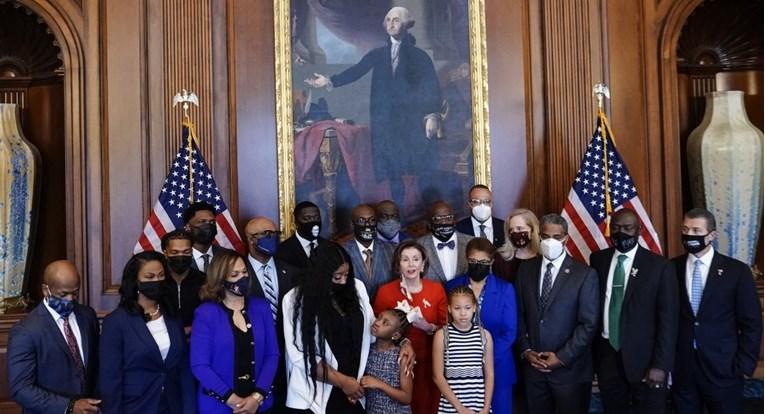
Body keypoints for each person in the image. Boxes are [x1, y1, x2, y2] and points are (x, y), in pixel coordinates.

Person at [305, 6, 441, 208]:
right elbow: (356, 71)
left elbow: (431, 87)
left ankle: (421, 210)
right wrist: (328, 81)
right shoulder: (378, 54)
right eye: (388, 20)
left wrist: (431, 115)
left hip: (411, 123)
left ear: (406, 25)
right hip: (386, 123)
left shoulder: (420, 57)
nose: (391, 24)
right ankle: (398, 216)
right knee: (393, 170)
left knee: (415, 168)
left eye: (396, 20)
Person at [283, 242, 414, 413]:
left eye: (347, 274)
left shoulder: (357, 288)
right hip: (316, 394)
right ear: (320, 275)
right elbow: (300, 355)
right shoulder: (295, 300)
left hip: (355, 391)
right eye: (337, 277)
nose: (344, 281)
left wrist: (404, 342)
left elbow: (374, 328)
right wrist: (343, 382)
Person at [671, 208, 762, 414]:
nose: (690, 235)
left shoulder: (736, 271)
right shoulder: (670, 268)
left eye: (696, 230)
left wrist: (744, 365)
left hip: (724, 370)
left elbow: (751, 323)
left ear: (711, 235)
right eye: (685, 229)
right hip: (683, 369)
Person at [590, 208, 678, 414]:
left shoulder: (659, 266)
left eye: (628, 228)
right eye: (616, 228)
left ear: (639, 230)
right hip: (607, 356)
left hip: (646, 361)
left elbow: (668, 320)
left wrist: (661, 365)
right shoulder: (598, 260)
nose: (621, 233)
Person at [515, 213, 599, 414]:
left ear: (566, 238)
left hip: (570, 373)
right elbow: (518, 315)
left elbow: (588, 324)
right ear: (539, 237)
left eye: (557, 237)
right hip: (533, 371)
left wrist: (561, 358)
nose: (551, 241)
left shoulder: (585, 274)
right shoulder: (525, 270)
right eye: (545, 236)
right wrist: (526, 351)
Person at [99, 251, 195, 414]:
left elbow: (183, 369)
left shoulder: (172, 316)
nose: (156, 281)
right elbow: (110, 379)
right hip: (135, 406)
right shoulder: (116, 322)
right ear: (135, 281)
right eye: (149, 277)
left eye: (160, 275)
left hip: (172, 406)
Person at [191, 250, 280, 414]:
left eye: (244, 272)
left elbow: (272, 355)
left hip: (260, 405)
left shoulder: (261, 307)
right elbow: (200, 365)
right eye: (234, 274)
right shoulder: (206, 313)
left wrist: (257, 397)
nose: (242, 278)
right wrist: (234, 401)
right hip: (219, 407)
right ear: (220, 278)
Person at [8, 260, 101, 414]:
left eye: (75, 292)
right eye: (63, 294)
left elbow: (95, 367)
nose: (70, 299)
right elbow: (21, 388)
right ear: (46, 290)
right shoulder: (25, 330)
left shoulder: (87, 316)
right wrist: (69, 407)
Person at [374, 239, 448, 414]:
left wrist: (427, 327)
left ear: (423, 264)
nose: (411, 264)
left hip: (429, 362)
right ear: (398, 265)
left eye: (416, 259)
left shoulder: (436, 289)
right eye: (405, 259)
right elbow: (376, 330)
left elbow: (446, 330)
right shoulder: (385, 292)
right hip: (397, 365)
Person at [445, 237, 517, 414]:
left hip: (498, 366)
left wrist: (483, 356)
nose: (478, 265)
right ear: (466, 259)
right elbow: (445, 325)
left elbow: (509, 332)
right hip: (460, 369)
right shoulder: (451, 286)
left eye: (484, 262)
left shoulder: (505, 289)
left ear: (492, 262)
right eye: (473, 261)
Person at [243, 216, 299, 412]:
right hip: (253, 356)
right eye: (266, 234)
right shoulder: (238, 272)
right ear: (251, 239)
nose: (273, 238)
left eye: (274, 233)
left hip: (288, 358)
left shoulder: (292, 271)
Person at [433, 286, 495, 414]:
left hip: (479, 408)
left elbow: (489, 374)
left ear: (474, 307)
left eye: (467, 308)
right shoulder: (442, 335)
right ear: (449, 308)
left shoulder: (484, 336)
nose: (462, 313)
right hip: (451, 408)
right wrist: (460, 408)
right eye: (457, 308)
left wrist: (486, 408)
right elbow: (437, 376)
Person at [360, 309, 414, 414]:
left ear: (396, 335)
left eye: (385, 323)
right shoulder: (368, 349)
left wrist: (379, 384)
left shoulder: (402, 357)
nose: (377, 323)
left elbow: (407, 397)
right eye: (379, 317)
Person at [342, 203, 395, 300]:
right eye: (361, 221)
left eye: (372, 220)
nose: (367, 225)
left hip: (386, 309)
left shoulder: (391, 250)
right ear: (352, 224)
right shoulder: (342, 252)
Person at [418, 200, 475, 283]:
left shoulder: (472, 243)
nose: (444, 222)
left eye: (448, 218)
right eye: (438, 219)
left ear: (455, 220)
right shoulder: (418, 246)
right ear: (429, 223)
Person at [162, 229, 205, 335]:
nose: (180, 256)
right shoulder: (158, 281)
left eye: (186, 252)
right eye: (174, 252)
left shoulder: (204, 280)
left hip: (197, 337)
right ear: (165, 253)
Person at [493, 208, 541, 283]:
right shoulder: (500, 258)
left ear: (533, 230)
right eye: (511, 230)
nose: (515, 233)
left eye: (519, 228)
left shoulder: (543, 258)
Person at [275, 201, 327, 269]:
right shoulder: (282, 251)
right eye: (307, 219)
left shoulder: (329, 247)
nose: (313, 221)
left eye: (317, 218)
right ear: (296, 223)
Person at [183, 201, 232, 273]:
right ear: (188, 226)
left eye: (212, 222)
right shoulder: (179, 258)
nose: (208, 226)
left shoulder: (227, 256)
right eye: (202, 221)